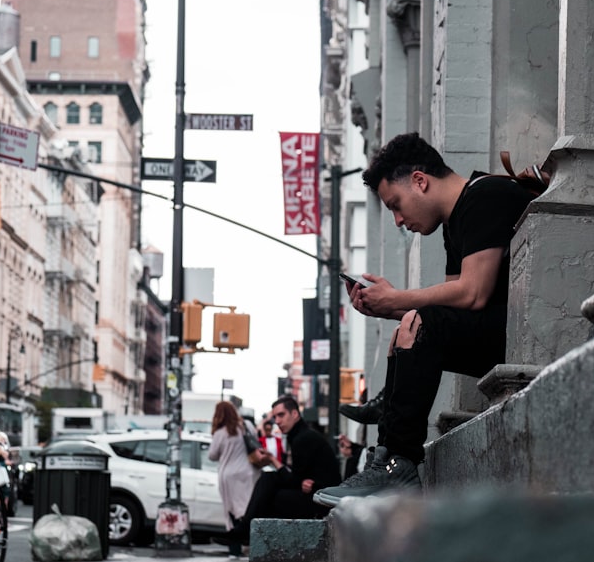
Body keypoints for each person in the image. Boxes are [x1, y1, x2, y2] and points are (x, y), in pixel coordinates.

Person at [313, 132, 536, 506]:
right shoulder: (456, 218)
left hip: (523, 331)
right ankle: (387, 451)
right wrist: (387, 306)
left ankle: (399, 462)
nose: (399, 220)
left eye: (396, 205)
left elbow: (473, 292)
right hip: (499, 328)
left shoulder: (486, 196)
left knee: (421, 323)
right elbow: (455, 304)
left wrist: (400, 300)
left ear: (420, 180)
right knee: (414, 324)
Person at [216, 396, 341, 545]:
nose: (278, 421)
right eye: (275, 417)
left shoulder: (303, 438)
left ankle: (246, 531)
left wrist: (273, 461)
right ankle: (246, 531)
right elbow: (298, 479)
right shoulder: (299, 436)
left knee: (272, 489)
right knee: (270, 482)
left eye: (281, 415)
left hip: (322, 501)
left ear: (294, 414)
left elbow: (295, 481)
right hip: (317, 496)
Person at [208, 401, 262, 557]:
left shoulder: (220, 433)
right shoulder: (247, 425)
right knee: (248, 509)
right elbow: (255, 442)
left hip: (229, 476)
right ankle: (252, 545)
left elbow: (212, 455)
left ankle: (235, 550)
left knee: (232, 512)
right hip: (249, 473)